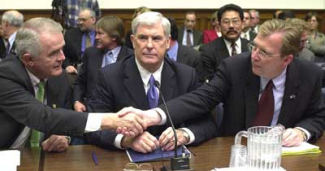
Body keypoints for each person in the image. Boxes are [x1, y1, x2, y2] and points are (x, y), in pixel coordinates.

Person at [120, 19, 325, 147]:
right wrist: (154, 115)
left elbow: (318, 115)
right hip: (236, 153)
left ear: (287, 59)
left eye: (264, 52)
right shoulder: (236, 66)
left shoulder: (310, 74)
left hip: (284, 156)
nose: (254, 55)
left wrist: (302, 131)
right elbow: (202, 98)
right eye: (255, 47)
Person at [0, 17, 148, 149]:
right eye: (53, 53)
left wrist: (63, 137)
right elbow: (43, 117)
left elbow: (65, 116)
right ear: (28, 59)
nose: (62, 57)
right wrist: (110, 120)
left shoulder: (56, 75)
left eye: (62, 49)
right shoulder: (5, 76)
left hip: (41, 159)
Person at [85, 12, 216, 153]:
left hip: (173, 157)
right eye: (142, 38)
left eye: (156, 38)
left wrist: (184, 134)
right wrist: (125, 140)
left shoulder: (186, 75)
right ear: (133, 41)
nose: (149, 45)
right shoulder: (109, 75)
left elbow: (207, 122)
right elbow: (93, 126)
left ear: (167, 42)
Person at [73, 16, 133, 113]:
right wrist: (77, 101)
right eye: (96, 33)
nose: (96, 37)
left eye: (100, 34)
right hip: (92, 111)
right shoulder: (91, 54)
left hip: (121, 114)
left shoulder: (130, 57)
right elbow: (80, 82)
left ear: (114, 36)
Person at [199, 4, 249, 82]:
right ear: (219, 25)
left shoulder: (252, 47)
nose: (231, 26)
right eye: (226, 22)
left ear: (242, 24)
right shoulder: (208, 51)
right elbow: (211, 83)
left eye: (235, 21)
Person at [63, 8, 97, 75]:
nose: (80, 22)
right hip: (75, 71)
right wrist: (67, 66)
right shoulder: (70, 34)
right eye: (79, 20)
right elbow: (63, 55)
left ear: (93, 20)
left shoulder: (101, 34)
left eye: (83, 20)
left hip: (97, 70)